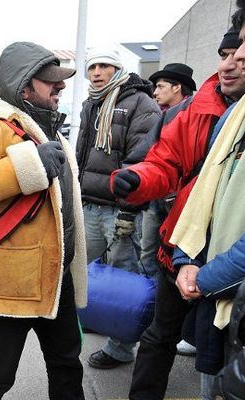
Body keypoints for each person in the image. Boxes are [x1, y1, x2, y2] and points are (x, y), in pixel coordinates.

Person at [0, 41, 87, 400]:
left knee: (68, 366)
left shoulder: (48, 127)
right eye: (50, 80)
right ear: (24, 86)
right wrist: (28, 167)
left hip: (55, 278)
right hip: (10, 285)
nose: (60, 86)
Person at [109, 25, 245, 399]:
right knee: (160, 335)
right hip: (184, 248)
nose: (230, 65)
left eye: (238, 54)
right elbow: (164, 164)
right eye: (224, 55)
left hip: (233, 263)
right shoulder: (194, 110)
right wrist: (136, 179)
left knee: (223, 355)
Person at [76, 47, 161, 370]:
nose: (97, 72)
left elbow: (140, 160)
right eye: (92, 66)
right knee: (80, 272)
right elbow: (84, 156)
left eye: (104, 66)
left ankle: (121, 349)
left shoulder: (141, 104)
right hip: (90, 204)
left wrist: (128, 210)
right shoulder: (91, 103)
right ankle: (98, 318)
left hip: (120, 210)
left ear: (117, 69)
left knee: (124, 278)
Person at [146, 62, 198, 356]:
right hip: (157, 203)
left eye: (161, 86)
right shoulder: (163, 116)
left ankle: (182, 330)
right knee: (151, 261)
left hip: (180, 209)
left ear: (178, 87)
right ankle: (157, 319)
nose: (155, 92)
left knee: (182, 272)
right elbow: (151, 157)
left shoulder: (195, 114)